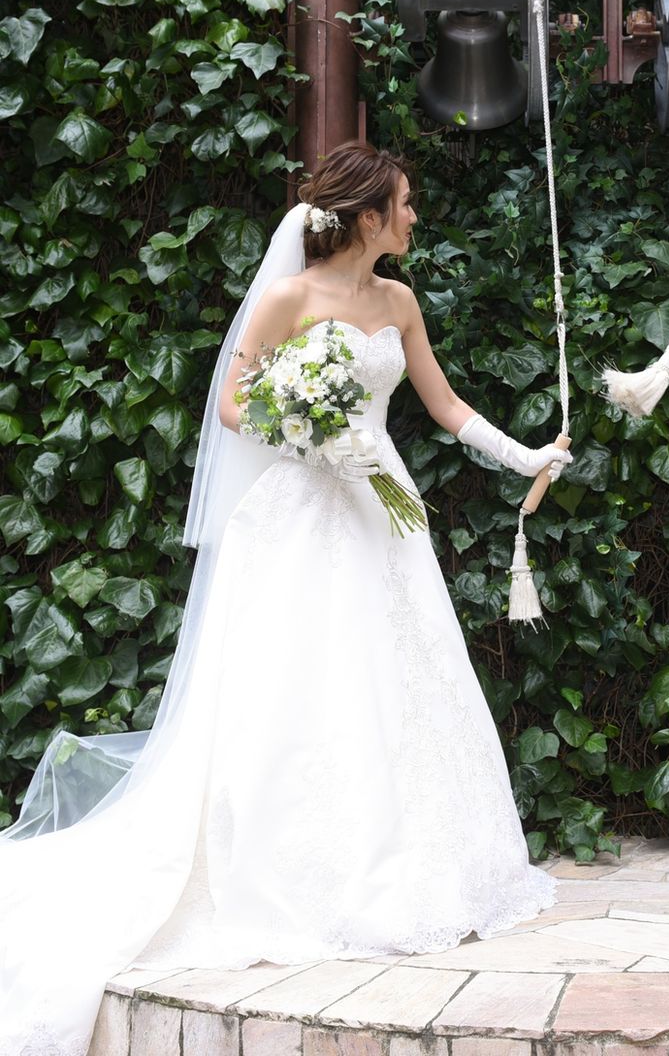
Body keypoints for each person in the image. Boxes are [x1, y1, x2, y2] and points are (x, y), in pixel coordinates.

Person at [0, 141, 570, 1055]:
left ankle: (413, 868)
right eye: (405, 204)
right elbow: (234, 405)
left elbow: (445, 405)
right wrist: (309, 433)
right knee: (301, 687)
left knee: (402, 678)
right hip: (301, 512)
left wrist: (525, 454)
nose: (414, 216)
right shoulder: (287, 298)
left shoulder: (400, 302)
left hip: (382, 511)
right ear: (368, 216)